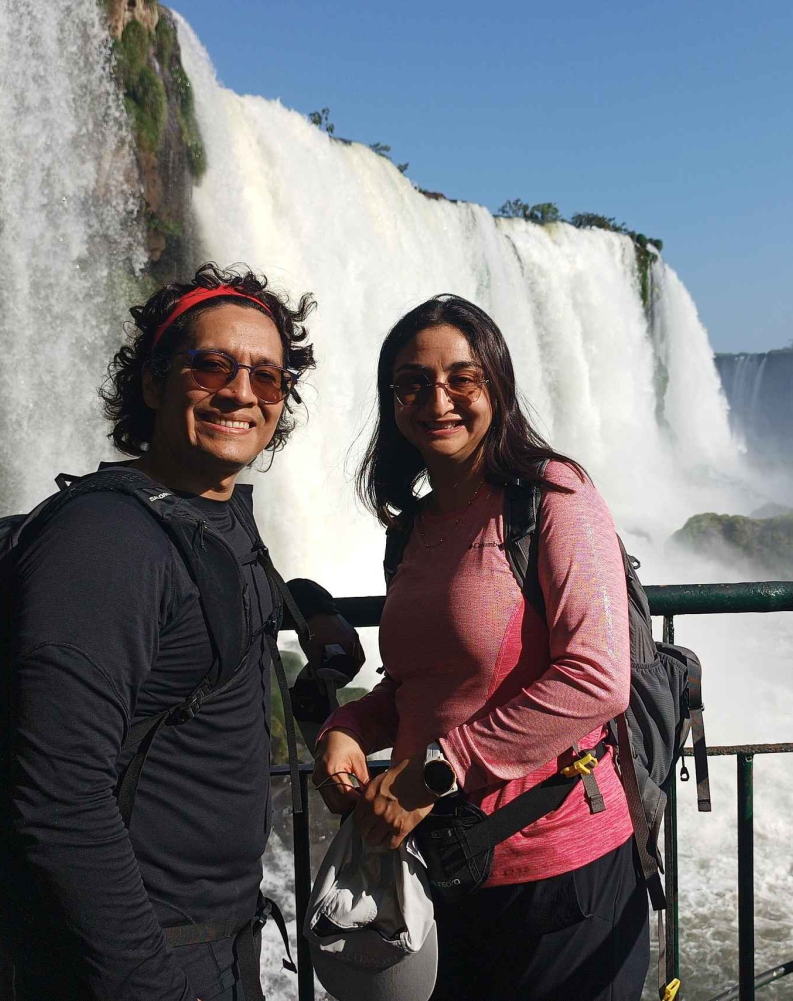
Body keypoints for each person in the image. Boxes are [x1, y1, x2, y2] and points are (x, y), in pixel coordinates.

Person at [0, 264, 362, 1000]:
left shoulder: (212, 517)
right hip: (135, 961)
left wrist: (313, 607)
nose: (240, 391)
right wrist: (148, 983)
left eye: (268, 376)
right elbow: (60, 799)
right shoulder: (106, 542)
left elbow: (225, 610)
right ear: (155, 383)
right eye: (211, 364)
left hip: (218, 942)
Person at [312, 294, 647, 1001]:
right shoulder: (411, 529)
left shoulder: (554, 495)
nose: (438, 399)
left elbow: (596, 679)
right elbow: (417, 685)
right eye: (412, 383)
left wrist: (426, 775)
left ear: (497, 383)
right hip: (446, 865)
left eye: (462, 378)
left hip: (559, 874)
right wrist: (351, 726)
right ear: (392, 402)